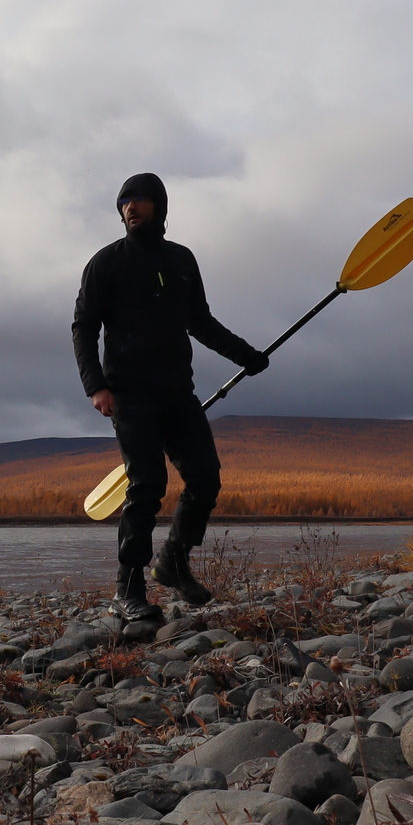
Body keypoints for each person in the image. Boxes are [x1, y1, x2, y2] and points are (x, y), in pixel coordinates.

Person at [72, 173, 268, 622]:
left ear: (159, 205)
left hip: (178, 392)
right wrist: (96, 386)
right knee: (146, 485)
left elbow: (199, 320)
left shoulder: (182, 260)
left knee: (205, 478)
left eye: (139, 201)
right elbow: (84, 326)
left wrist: (245, 355)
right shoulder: (106, 263)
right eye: (124, 203)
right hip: (129, 393)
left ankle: (173, 561)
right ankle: (128, 588)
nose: (130, 209)